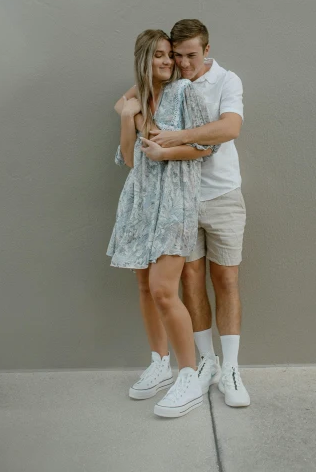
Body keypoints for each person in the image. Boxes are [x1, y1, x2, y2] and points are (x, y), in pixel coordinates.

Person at [119, 19, 250, 407]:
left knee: (225, 278)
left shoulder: (225, 81)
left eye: (189, 55)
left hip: (220, 193)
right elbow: (128, 103)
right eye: (176, 55)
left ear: (206, 50)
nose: (182, 62)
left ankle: (229, 368)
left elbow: (229, 129)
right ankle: (202, 362)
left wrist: (170, 140)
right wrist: (135, 117)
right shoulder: (166, 82)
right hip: (177, 201)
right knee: (189, 280)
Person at [108, 29, 218, 418]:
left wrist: (164, 154)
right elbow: (127, 159)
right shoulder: (137, 99)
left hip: (173, 203)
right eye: (158, 56)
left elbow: (207, 146)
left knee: (163, 291)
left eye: (170, 55)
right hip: (139, 203)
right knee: (143, 285)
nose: (168, 62)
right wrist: (127, 117)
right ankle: (159, 363)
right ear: (143, 58)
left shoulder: (184, 93)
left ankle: (189, 376)